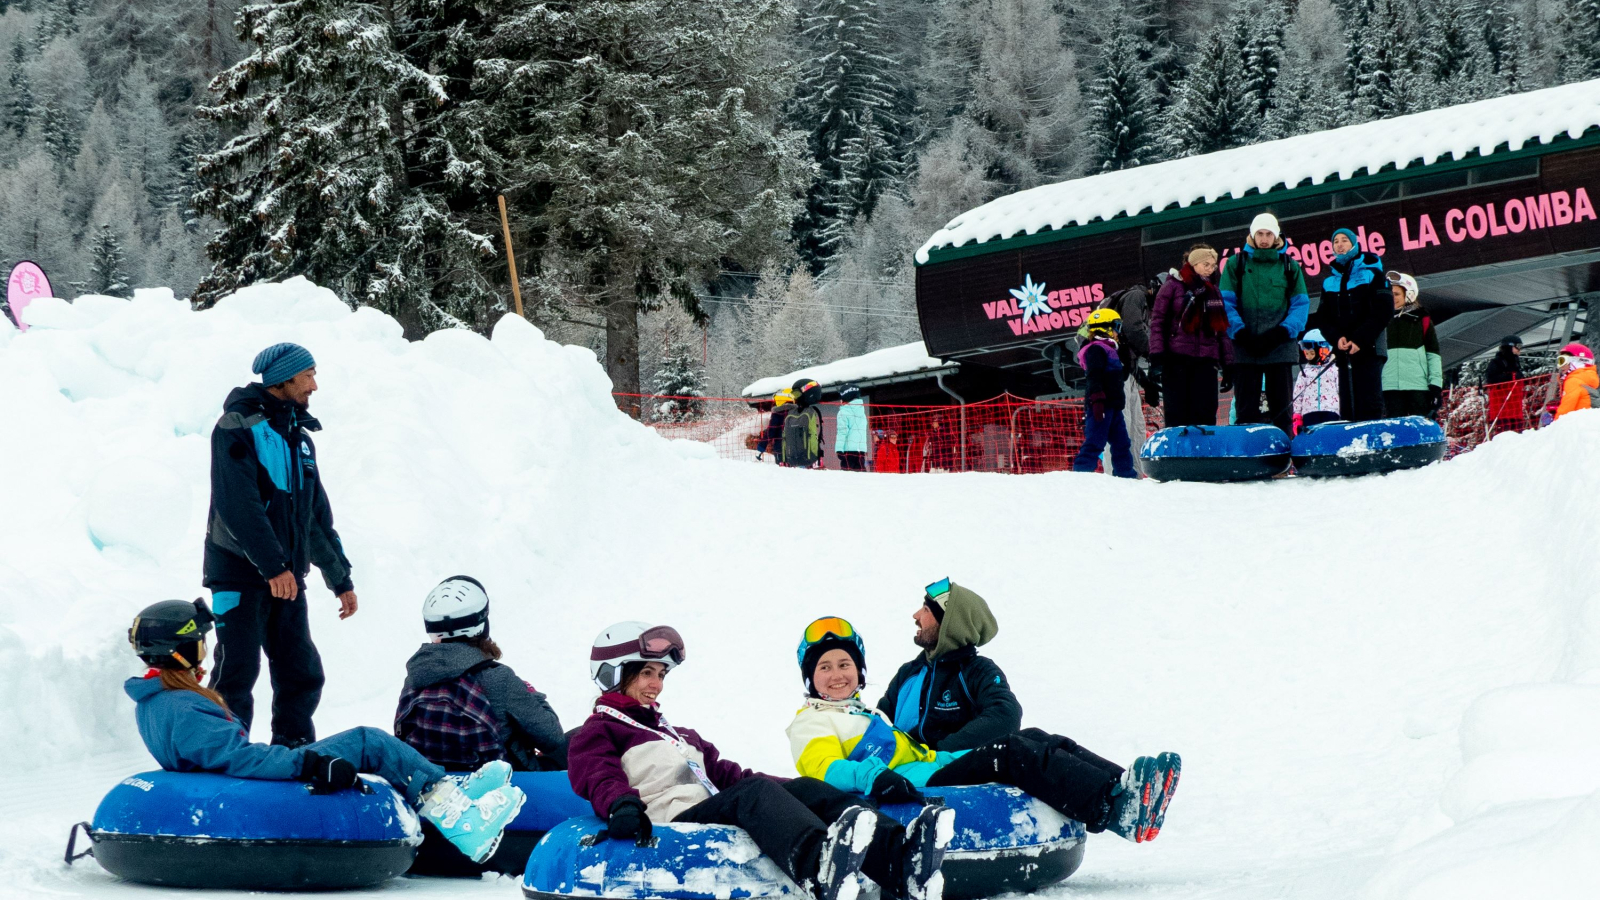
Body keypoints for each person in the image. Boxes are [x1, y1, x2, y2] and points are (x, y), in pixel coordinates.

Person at [126, 597, 525, 863]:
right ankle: (460, 821)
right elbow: (239, 759)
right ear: (181, 649)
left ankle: (449, 790)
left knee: (367, 741)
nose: (205, 649)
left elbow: (220, 755)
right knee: (370, 741)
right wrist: (310, 764)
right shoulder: (183, 705)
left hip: (236, 780)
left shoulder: (157, 699)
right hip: (253, 782)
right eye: (199, 641)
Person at [567, 622, 948, 900]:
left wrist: (797, 791)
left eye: (661, 674)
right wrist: (622, 805)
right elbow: (596, 774)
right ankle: (819, 868)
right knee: (754, 793)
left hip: (712, 809)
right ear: (613, 673)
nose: (657, 684)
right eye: (647, 673)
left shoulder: (679, 734)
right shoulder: (600, 729)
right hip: (671, 823)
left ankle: (901, 862)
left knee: (808, 788)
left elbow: (730, 776)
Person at [795, 615, 1179, 843]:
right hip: (916, 781)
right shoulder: (812, 720)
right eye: (824, 667)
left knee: (1036, 737)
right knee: (1009, 753)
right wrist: (871, 776)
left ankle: (1124, 787)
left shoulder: (865, 715)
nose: (837, 675)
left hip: (933, 764)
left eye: (844, 664)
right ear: (811, 678)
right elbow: (821, 768)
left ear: (858, 672)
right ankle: (1113, 811)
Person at [204, 342, 356, 747]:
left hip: (286, 576)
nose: (314, 385)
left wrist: (340, 578)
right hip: (239, 573)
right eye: (307, 375)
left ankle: (292, 750)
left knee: (300, 671)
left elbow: (314, 519)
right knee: (236, 672)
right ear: (282, 379)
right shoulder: (237, 426)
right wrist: (273, 567)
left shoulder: (299, 438)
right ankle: (222, 755)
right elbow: (238, 507)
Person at [396, 576, 569, 771]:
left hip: (435, 785)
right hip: (499, 788)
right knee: (579, 739)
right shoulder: (499, 678)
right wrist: (529, 693)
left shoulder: (416, 676)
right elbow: (552, 737)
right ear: (482, 625)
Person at [1219, 214, 1310, 433]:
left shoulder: (1289, 266)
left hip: (1280, 346)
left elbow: (1301, 305)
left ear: (1276, 235)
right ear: (1252, 234)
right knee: (1245, 410)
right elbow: (1226, 302)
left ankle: (1284, 456)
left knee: (1282, 409)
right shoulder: (1235, 263)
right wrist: (1240, 332)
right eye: (1260, 233)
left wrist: (1282, 331)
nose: (1264, 238)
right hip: (1245, 346)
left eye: (1269, 234)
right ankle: (1249, 457)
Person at [1149, 244, 1232, 427]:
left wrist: (1228, 364)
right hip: (1177, 360)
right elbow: (1158, 322)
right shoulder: (1172, 287)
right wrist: (1157, 358)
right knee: (1178, 416)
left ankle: (1205, 454)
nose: (1210, 269)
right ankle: (1180, 455)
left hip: (1206, 361)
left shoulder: (1213, 291)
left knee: (1205, 415)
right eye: (1206, 264)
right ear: (1194, 263)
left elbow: (1221, 331)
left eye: (1213, 265)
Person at [1314, 228, 1391, 422]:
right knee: (1347, 405)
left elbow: (1383, 311)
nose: (1340, 245)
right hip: (1343, 351)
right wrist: (1336, 337)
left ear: (1354, 244)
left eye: (1344, 241)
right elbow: (1323, 318)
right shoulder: (1329, 281)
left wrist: (1360, 339)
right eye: (1336, 241)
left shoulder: (1373, 274)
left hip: (1370, 349)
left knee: (1369, 403)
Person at [1071, 309, 1137, 478]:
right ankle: (1081, 474)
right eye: (1116, 327)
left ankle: (1125, 474)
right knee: (1096, 441)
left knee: (1122, 443)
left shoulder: (1111, 349)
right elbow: (1094, 375)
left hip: (1113, 406)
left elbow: (1122, 376)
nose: (1118, 332)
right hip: (1100, 405)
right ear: (1105, 328)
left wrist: (1126, 356)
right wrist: (1097, 399)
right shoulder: (1096, 349)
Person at [1097, 282, 1154, 464]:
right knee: (1123, 425)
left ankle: (1134, 474)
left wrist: (1145, 383)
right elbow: (1133, 330)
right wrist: (1152, 353)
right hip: (1115, 374)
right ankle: (1119, 477)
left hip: (1125, 373)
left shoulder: (1142, 305)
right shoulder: (1136, 296)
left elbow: (1129, 355)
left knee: (1136, 427)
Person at [1380, 273, 1443, 418]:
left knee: (1421, 427)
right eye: (1389, 294)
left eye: (1396, 294)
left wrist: (1435, 385)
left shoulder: (1422, 320)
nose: (1392, 297)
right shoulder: (1379, 321)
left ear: (1408, 294)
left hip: (1418, 387)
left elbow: (1433, 355)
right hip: (1389, 387)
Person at [1292, 330, 1341, 432]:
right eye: (1306, 353)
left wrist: (1343, 411)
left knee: (1329, 434)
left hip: (1331, 410)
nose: (1308, 356)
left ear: (1324, 350)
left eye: (1311, 353)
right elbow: (1298, 394)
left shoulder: (1335, 370)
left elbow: (1341, 390)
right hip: (1309, 412)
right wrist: (1297, 415)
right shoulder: (1304, 372)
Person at [1484, 336, 1525, 436]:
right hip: (1502, 409)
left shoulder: (1515, 362)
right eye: (1518, 346)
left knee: (1518, 434)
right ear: (1509, 347)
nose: (1520, 349)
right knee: (1504, 436)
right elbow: (1491, 379)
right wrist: (1511, 376)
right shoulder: (1497, 362)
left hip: (1515, 407)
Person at [782, 379, 826, 468]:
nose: (795, 397)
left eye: (797, 394)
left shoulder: (809, 412)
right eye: (793, 394)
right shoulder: (812, 412)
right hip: (805, 457)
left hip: (798, 457)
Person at [1552, 342, 1597, 421]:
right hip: (1584, 423)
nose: (1561, 366)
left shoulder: (1573, 381)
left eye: (1563, 361)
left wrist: (1554, 426)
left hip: (1576, 426)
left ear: (1577, 361)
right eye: (1559, 361)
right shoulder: (1586, 379)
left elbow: (1566, 408)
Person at [835, 384, 868, 471]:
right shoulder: (861, 412)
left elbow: (842, 431)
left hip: (847, 451)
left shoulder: (843, 412)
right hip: (860, 450)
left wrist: (839, 449)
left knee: (847, 477)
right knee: (860, 474)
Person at [756, 389, 796, 462]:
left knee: (782, 471)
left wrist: (761, 447)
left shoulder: (778, 413)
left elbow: (771, 431)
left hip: (781, 448)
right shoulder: (798, 412)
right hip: (797, 448)